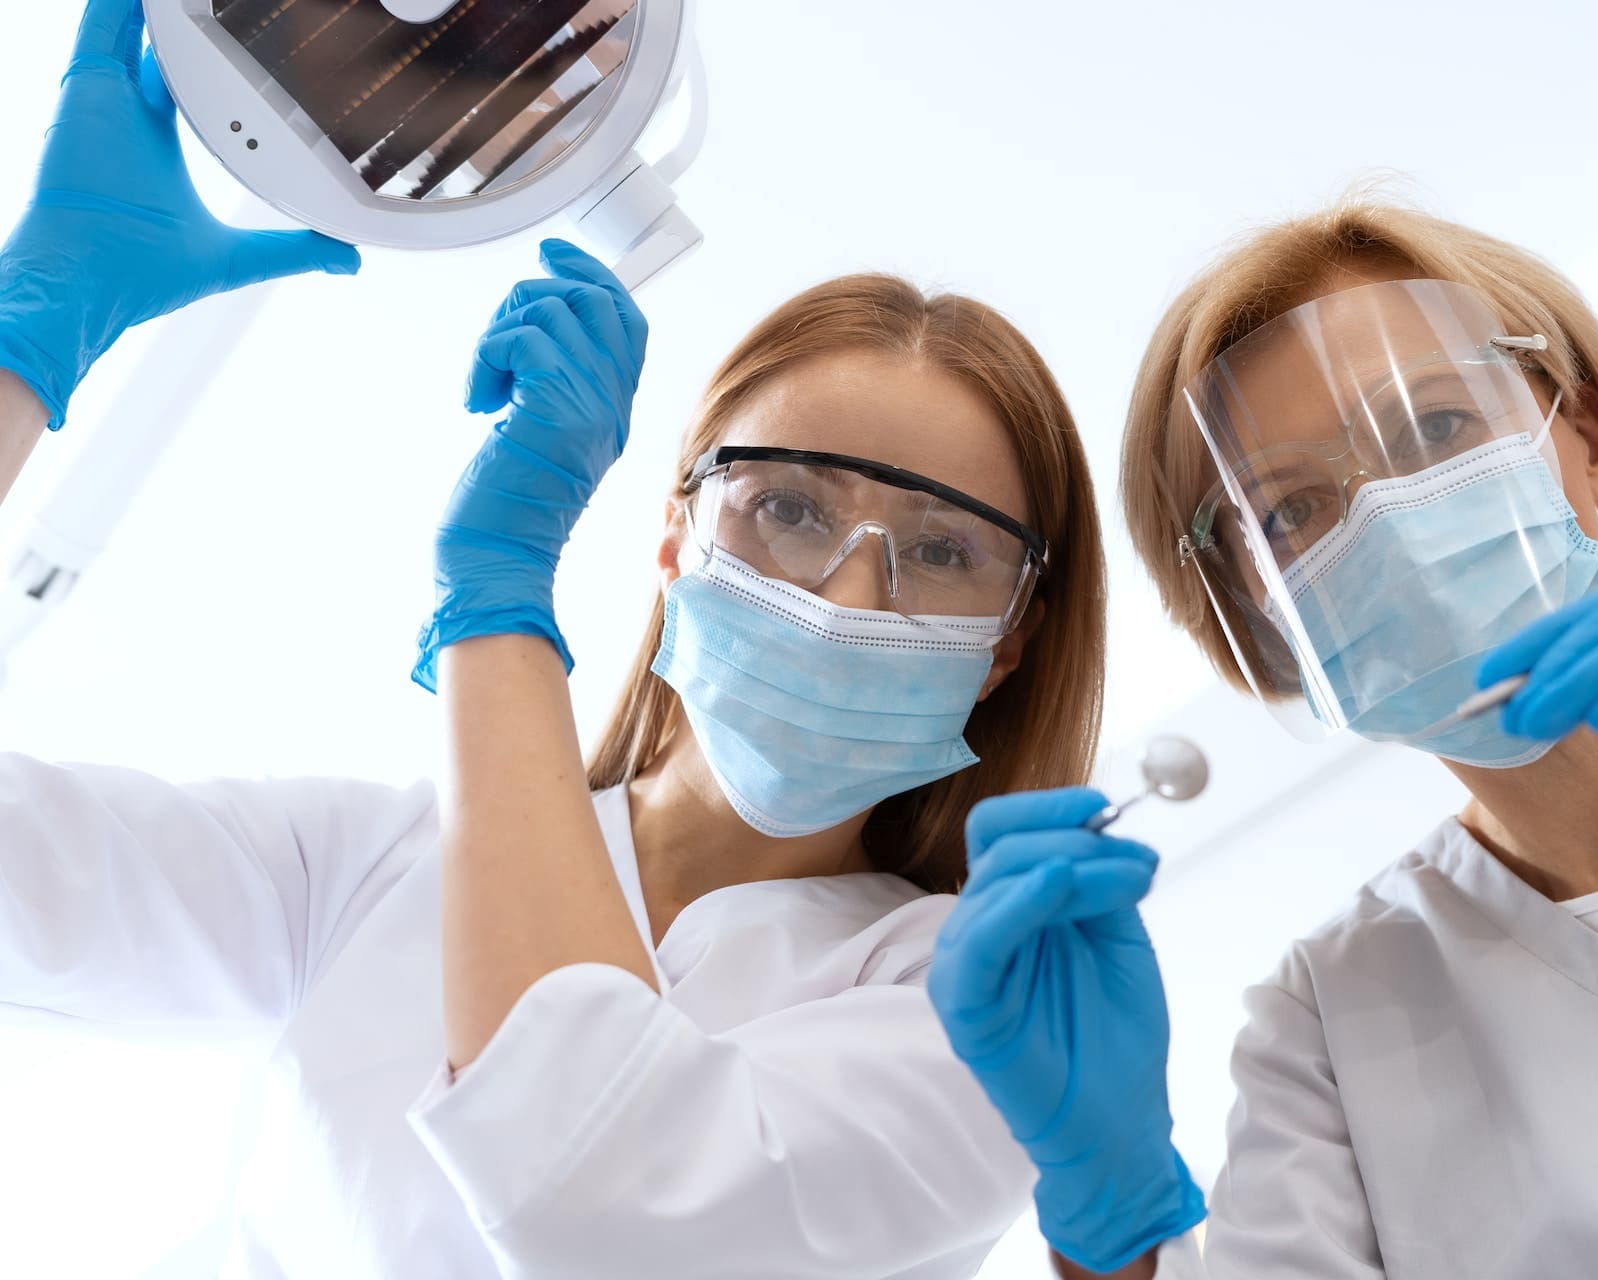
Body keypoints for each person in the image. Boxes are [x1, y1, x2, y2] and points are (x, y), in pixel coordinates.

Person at [0, 3, 1109, 1275]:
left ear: (1013, 642)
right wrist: (29, 333)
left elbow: (602, 1198)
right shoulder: (363, 873)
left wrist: (497, 598)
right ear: (676, 539)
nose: (852, 594)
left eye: (943, 550)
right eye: (791, 507)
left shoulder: (985, 1012)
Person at [929, 198, 1598, 1278]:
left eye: (1437, 428)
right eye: (1291, 510)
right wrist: (1105, 1214)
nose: (1388, 520)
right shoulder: (1332, 1029)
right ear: (1260, 625)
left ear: (1587, 443)